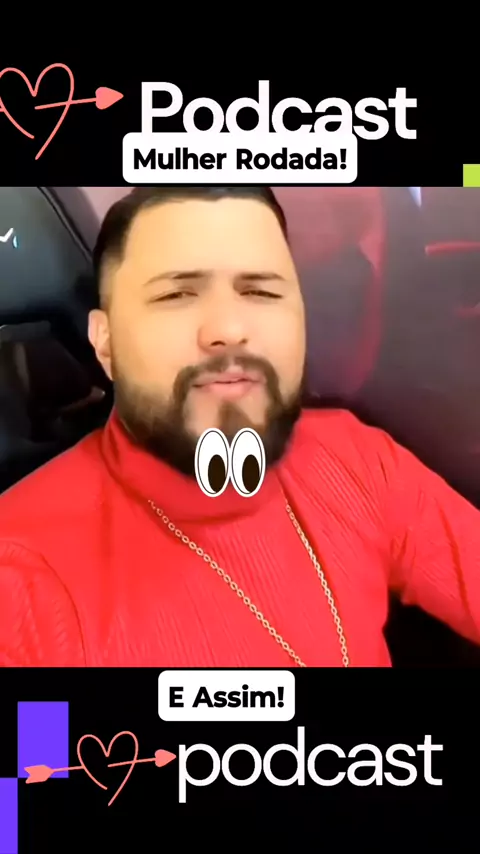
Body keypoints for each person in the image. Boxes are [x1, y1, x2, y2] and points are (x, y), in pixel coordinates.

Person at [1, 185, 480, 668]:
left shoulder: (357, 459)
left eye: (260, 291)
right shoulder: (21, 573)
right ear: (104, 342)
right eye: (176, 294)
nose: (229, 330)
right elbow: (39, 724)